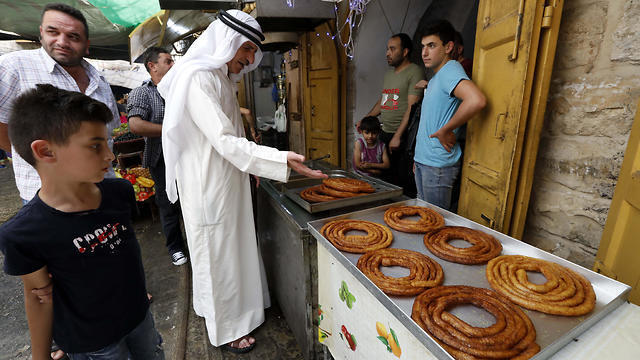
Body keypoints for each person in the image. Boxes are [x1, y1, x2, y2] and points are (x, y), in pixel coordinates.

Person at [157, 10, 326, 353]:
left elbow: (230, 136)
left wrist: (252, 167)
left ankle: (235, 312)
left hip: (226, 179)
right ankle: (227, 328)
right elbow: (223, 141)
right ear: (226, 42)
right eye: (246, 50)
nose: (250, 59)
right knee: (218, 256)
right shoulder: (198, 78)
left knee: (232, 251)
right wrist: (279, 159)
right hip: (209, 186)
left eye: (253, 52)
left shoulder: (218, 77)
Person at [0, 84, 164, 360]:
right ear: (45, 151)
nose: (110, 156)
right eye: (95, 146)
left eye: (107, 143)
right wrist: (39, 356)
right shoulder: (25, 233)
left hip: (139, 320)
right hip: (93, 344)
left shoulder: (119, 193)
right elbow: (39, 297)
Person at [0, 3, 120, 205]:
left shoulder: (99, 79)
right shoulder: (14, 67)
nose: (62, 42)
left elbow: (109, 134)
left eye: (73, 37)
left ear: (87, 44)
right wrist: (33, 160)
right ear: (41, 33)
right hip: (48, 199)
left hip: (100, 189)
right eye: (53, 32)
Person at [414, 20, 486, 211]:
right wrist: (418, 158)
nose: (424, 53)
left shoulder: (451, 70)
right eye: (423, 47)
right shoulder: (438, 76)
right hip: (425, 161)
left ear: (448, 47)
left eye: (431, 46)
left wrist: (447, 129)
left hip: (437, 166)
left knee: (435, 226)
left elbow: (476, 100)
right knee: (426, 220)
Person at [127, 46, 189, 266]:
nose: (173, 65)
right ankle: (175, 247)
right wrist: (171, 129)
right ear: (152, 66)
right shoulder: (142, 93)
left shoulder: (180, 89)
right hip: (161, 159)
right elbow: (135, 124)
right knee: (168, 203)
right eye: (168, 61)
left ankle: (194, 243)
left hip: (187, 154)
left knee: (189, 201)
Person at [363, 33, 424, 191]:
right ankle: (386, 210)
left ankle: (402, 211)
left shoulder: (414, 71)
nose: (387, 53)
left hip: (403, 136)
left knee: (403, 180)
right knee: (384, 176)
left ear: (405, 52)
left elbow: (412, 107)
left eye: (392, 49)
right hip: (385, 133)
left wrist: (397, 136)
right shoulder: (389, 74)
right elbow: (382, 101)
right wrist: (366, 119)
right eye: (387, 49)